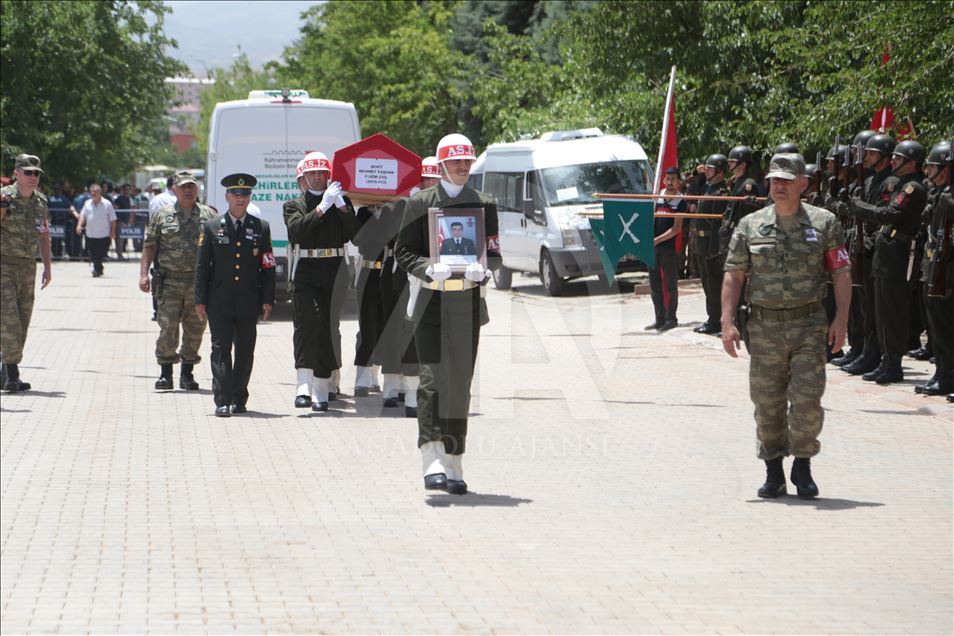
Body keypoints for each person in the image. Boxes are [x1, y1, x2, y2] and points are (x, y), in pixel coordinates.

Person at [721, 153, 851, 499]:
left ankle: (803, 465)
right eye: (774, 180)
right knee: (768, 402)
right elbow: (734, 275)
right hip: (764, 327)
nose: (778, 186)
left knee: (807, 399)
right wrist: (727, 320)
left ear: (803, 184)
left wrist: (841, 320)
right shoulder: (751, 225)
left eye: (786, 180)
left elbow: (841, 273)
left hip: (809, 324)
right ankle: (774, 469)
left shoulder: (825, 223)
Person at [396, 133, 500, 495]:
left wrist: (484, 269)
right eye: (456, 162)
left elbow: (495, 253)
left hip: (467, 303)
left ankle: (455, 461)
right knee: (431, 379)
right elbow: (403, 252)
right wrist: (427, 267)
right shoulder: (421, 203)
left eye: (468, 162)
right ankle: (432, 457)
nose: (462, 167)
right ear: (441, 165)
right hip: (431, 302)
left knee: (460, 383)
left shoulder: (484, 203)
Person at [195, 173, 276, 417]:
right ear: (227, 196)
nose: (241, 199)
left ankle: (239, 398)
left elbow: (268, 265)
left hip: (249, 299)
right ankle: (222, 399)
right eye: (236, 195)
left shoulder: (260, 228)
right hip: (219, 299)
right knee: (220, 349)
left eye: (246, 195)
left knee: (244, 350)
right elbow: (202, 266)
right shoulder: (211, 227)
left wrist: (268, 299)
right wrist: (200, 299)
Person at [847, 140, 928, 384]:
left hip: (900, 254)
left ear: (912, 163)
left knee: (893, 312)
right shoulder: (900, 185)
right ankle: (885, 360)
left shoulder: (913, 188)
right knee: (880, 311)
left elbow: (889, 214)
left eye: (898, 158)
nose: (893, 161)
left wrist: (859, 208)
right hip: (887, 252)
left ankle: (893, 363)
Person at [283, 151, 357, 411]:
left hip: (335, 270)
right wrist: (322, 208)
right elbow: (296, 231)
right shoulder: (294, 205)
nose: (317, 178)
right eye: (312, 173)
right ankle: (303, 384)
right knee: (307, 324)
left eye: (321, 173)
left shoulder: (340, 201)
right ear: (304, 177)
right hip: (306, 269)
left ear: (329, 175)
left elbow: (354, 236)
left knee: (327, 327)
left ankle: (322, 387)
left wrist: (342, 207)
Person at [140, 170, 217, 391]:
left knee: (195, 329)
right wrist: (144, 274)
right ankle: (166, 373)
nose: (188, 190)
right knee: (168, 327)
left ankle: (187, 374)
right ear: (174, 189)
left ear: (197, 189)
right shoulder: (162, 215)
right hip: (169, 281)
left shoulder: (208, 216)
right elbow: (150, 245)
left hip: (198, 283)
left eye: (191, 186)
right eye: (183, 186)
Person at [379, 157, 442, 414]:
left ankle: (420, 389)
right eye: (425, 178)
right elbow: (390, 238)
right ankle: (396, 385)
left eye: (434, 178)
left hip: (436, 276)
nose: (429, 183)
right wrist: (408, 207)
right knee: (397, 332)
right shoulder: (400, 206)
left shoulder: (446, 203)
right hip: (401, 276)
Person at [840, 133, 897, 376]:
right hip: (861, 248)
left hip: (874, 248)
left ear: (884, 156)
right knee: (863, 306)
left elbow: (882, 215)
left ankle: (876, 353)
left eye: (871, 153)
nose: (866, 157)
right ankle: (864, 349)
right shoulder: (869, 180)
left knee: (875, 309)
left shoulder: (890, 183)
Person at [0, 154, 52, 392]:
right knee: (9, 320)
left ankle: (7, 370)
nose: (33, 177)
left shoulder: (40, 202)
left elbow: (43, 235)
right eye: (28, 172)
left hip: (28, 267)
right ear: (16, 173)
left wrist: (47, 267)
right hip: (4, 265)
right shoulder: (4, 197)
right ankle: (12, 373)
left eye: (36, 173)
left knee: (22, 320)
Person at [917, 141, 953, 396]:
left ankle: (948, 376)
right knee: (937, 327)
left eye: (933, 166)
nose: (928, 171)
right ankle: (942, 373)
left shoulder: (948, 196)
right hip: (934, 265)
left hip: (949, 270)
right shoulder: (937, 193)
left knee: (947, 327)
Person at [351, 202, 389, 396]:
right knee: (367, 327)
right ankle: (362, 377)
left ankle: (374, 373)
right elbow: (357, 240)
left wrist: (382, 214)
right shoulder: (363, 212)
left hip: (389, 273)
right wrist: (373, 216)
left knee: (384, 327)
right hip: (368, 273)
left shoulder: (395, 210)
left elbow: (393, 239)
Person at [691, 154, 729, 334]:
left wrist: (714, 249)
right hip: (702, 243)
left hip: (710, 245)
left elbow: (716, 225)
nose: (708, 172)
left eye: (711, 169)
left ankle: (716, 320)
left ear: (720, 172)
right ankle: (712, 317)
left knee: (714, 285)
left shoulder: (720, 193)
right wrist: (698, 174)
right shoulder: (709, 188)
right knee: (707, 284)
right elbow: (693, 191)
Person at [645, 167, 685, 331]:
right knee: (655, 286)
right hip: (653, 249)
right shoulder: (658, 196)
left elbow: (676, 229)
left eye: (673, 179)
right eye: (667, 179)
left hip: (668, 249)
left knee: (670, 285)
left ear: (678, 182)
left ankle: (671, 318)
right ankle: (659, 318)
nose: (669, 182)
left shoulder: (681, 201)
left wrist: (657, 240)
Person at [76, 184, 116, 277]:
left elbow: (113, 219)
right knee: (93, 253)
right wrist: (79, 226)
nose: (93, 194)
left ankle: (97, 269)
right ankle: (98, 269)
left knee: (100, 254)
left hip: (104, 234)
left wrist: (113, 232)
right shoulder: (87, 203)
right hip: (90, 234)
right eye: (92, 192)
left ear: (100, 192)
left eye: (95, 192)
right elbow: (82, 216)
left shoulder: (107, 204)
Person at [46, 182, 73, 259]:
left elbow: (69, 209)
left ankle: (70, 254)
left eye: (58, 189)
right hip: (55, 221)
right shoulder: (51, 199)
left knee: (67, 239)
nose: (57, 190)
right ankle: (57, 254)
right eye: (56, 189)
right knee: (55, 239)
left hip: (64, 221)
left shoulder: (65, 199)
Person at [113, 183, 132, 259]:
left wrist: (129, 220)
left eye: (128, 189)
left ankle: (120, 253)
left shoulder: (128, 198)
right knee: (119, 239)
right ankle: (119, 254)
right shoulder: (119, 198)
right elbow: (115, 208)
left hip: (126, 221)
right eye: (126, 189)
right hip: (121, 221)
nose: (127, 191)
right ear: (123, 190)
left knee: (123, 238)